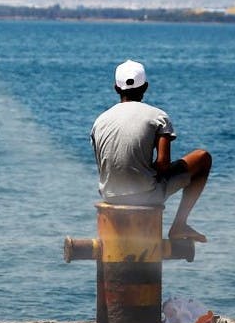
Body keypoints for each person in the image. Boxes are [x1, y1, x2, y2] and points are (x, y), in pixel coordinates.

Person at [90, 60, 211, 243]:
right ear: (145, 87)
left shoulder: (99, 121)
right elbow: (163, 164)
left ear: (116, 88)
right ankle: (179, 225)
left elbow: (105, 163)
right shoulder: (158, 117)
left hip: (110, 195)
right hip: (144, 196)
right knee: (202, 158)